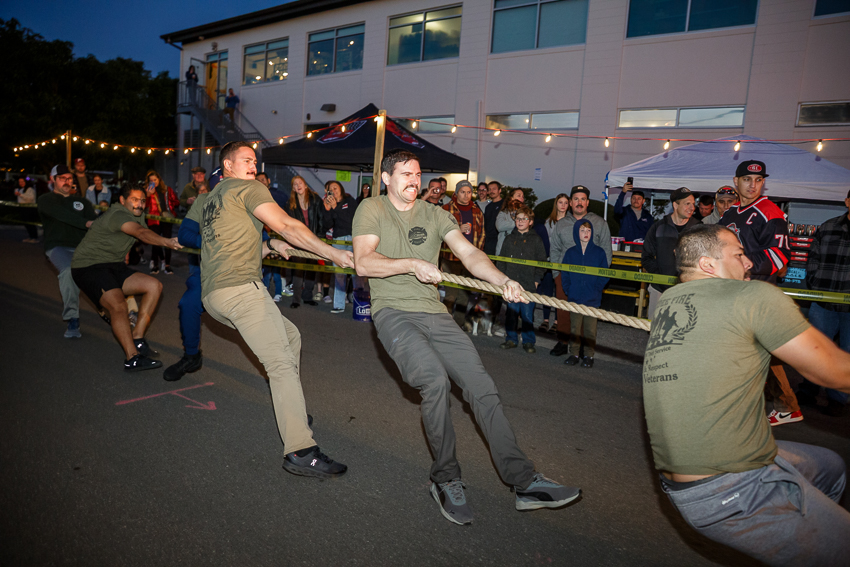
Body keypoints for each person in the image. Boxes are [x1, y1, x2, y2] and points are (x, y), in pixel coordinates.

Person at [353, 149, 581, 526]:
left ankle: (524, 482)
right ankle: (445, 478)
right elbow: (363, 261)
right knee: (434, 381)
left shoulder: (435, 214)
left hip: (435, 313)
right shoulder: (372, 209)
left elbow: (470, 254)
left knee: (482, 387)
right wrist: (412, 264)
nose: (414, 180)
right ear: (386, 178)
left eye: (417, 174)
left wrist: (504, 281)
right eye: (406, 174)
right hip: (393, 312)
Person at [643, 223, 850, 566]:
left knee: (830, 466)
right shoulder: (752, 296)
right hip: (732, 488)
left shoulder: (670, 301)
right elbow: (832, 372)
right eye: (739, 254)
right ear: (708, 264)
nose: (749, 262)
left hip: (684, 481)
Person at [200, 140, 352, 478]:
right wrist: (334, 254)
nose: (253, 166)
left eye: (254, 161)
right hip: (241, 290)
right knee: (281, 363)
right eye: (246, 160)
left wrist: (268, 244)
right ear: (227, 166)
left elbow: (227, 245)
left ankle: (291, 409)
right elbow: (288, 224)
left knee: (290, 337)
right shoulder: (249, 188)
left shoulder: (212, 198)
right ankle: (301, 451)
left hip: (214, 296)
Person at [719, 160, 800, 427]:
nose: (753, 185)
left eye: (758, 180)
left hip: (758, 293)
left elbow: (779, 256)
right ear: (736, 182)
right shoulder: (731, 213)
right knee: (753, 352)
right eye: (747, 179)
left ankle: (783, 405)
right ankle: (781, 405)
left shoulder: (770, 212)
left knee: (759, 352)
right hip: (733, 292)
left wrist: (738, 263)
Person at [71, 186, 182, 371]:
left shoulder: (138, 215)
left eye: (142, 200)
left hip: (113, 265)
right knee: (119, 306)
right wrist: (167, 241)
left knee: (154, 286)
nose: (139, 204)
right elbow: (140, 233)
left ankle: (137, 338)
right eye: (134, 200)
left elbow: (136, 235)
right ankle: (132, 358)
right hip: (88, 266)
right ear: (122, 201)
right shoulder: (118, 214)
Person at [798, 189, 850, 417]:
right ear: (847, 201)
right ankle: (808, 390)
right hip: (823, 301)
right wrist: (815, 282)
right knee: (815, 349)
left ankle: (837, 398)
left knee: (847, 354)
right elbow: (813, 258)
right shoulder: (828, 227)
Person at [549, 186, 612, 356]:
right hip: (566, 275)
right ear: (570, 203)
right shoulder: (562, 224)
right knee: (563, 310)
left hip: (590, 278)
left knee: (586, 313)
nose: (579, 202)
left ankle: (583, 346)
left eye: (583, 199)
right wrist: (556, 274)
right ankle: (563, 341)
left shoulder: (599, 223)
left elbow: (606, 251)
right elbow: (555, 249)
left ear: (587, 202)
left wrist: (601, 278)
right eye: (576, 199)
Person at [37, 164, 98, 338]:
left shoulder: (83, 202)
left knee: (106, 270)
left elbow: (96, 224)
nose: (67, 181)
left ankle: (124, 310)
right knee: (68, 272)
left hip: (82, 248)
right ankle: (72, 318)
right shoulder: (46, 200)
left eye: (69, 178)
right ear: (53, 179)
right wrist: (86, 223)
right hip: (58, 246)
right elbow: (63, 216)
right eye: (62, 178)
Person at [164, 180, 211, 381]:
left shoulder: (249, 200)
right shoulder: (204, 201)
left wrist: (272, 244)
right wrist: (212, 242)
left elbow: (265, 236)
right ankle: (192, 356)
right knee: (189, 303)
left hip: (241, 275)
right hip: (209, 272)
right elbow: (184, 234)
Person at [641, 187, 700, 319]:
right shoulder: (658, 227)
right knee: (655, 327)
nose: (692, 208)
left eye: (693, 204)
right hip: (659, 290)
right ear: (675, 205)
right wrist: (660, 277)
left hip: (688, 291)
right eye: (687, 204)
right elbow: (646, 257)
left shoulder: (698, 229)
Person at [560, 220, 610, 368]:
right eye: (582, 230)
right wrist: (568, 289)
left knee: (590, 330)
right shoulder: (570, 253)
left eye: (588, 230)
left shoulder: (599, 252)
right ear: (576, 233)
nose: (586, 233)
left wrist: (597, 289)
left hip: (592, 298)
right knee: (574, 328)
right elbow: (565, 273)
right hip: (574, 297)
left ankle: (589, 355)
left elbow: (604, 274)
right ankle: (574, 354)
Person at [497, 205, 546, 353]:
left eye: (524, 219)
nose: (520, 221)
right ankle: (511, 339)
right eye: (518, 219)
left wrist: (536, 280)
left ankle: (528, 341)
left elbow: (542, 262)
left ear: (530, 222)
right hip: (511, 284)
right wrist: (502, 280)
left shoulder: (536, 240)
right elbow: (501, 261)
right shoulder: (509, 239)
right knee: (511, 314)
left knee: (527, 315)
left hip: (528, 285)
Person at [441, 180, 485, 327]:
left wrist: (477, 256)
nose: (466, 195)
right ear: (456, 193)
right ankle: (445, 327)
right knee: (451, 295)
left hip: (469, 260)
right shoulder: (446, 209)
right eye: (462, 192)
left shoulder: (477, 210)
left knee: (464, 296)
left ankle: (458, 326)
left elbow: (482, 234)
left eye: (469, 192)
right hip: (450, 258)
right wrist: (456, 229)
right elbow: (437, 233)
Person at [285, 175, 323, 308]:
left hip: (313, 240)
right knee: (298, 271)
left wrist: (320, 238)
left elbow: (321, 219)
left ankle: (307, 297)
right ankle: (296, 300)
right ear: (293, 189)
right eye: (295, 184)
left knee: (311, 270)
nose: (298, 186)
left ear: (305, 185)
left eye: (300, 183)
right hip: (298, 241)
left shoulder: (315, 199)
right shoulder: (290, 203)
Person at [322, 180, 359, 314]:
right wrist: (327, 210)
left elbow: (350, 221)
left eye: (335, 188)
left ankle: (359, 304)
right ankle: (338, 305)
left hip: (353, 240)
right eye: (330, 189)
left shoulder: (349, 201)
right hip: (338, 240)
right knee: (339, 273)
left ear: (341, 189)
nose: (333, 191)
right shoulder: (331, 205)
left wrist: (336, 207)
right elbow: (327, 224)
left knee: (357, 273)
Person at [538, 193, 569, 332]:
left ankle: (557, 321)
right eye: (560, 202)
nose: (563, 205)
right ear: (556, 204)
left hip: (563, 262)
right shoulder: (548, 222)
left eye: (565, 203)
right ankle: (545, 319)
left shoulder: (570, 222)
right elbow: (545, 242)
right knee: (547, 291)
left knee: (559, 293)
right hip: (549, 261)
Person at [144, 170, 180, 275]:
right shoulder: (147, 191)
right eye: (151, 180)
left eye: (155, 180)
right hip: (154, 219)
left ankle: (167, 265)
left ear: (159, 180)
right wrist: (147, 195)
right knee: (155, 242)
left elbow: (176, 202)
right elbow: (144, 205)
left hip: (166, 219)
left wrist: (170, 207)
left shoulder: (167, 190)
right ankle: (155, 264)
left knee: (168, 241)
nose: (153, 182)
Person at [494, 188, 526, 255]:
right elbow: (499, 226)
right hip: (503, 250)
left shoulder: (526, 214)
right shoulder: (504, 213)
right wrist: (516, 223)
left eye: (523, 197)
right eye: (519, 195)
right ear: (511, 198)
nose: (521, 198)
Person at [482, 181, 504, 255]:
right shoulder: (488, 207)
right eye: (489, 189)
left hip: (501, 240)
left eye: (494, 189)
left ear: (499, 190)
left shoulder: (505, 205)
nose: (491, 191)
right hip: (489, 242)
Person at [15, 176, 39, 243]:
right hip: (23, 208)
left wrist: (21, 195)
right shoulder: (20, 189)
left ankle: (34, 238)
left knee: (30, 223)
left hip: (29, 209)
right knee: (26, 223)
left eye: (22, 181)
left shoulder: (30, 189)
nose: (21, 183)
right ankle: (31, 237)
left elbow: (30, 199)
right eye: (19, 182)